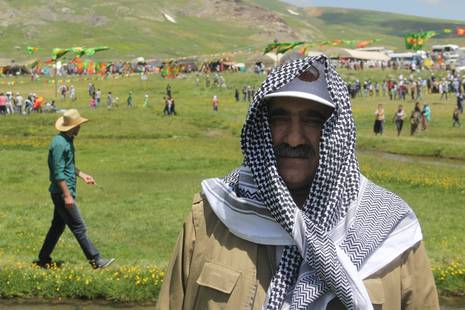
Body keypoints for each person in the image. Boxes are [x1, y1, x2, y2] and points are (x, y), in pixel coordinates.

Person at [156, 56, 439, 309]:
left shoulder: (390, 229)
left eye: (312, 120)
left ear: (337, 131)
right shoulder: (211, 218)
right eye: (280, 118)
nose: (293, 138)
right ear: (263, 125)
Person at [34, 109, 114, 269]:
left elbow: (68, 166)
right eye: (78, 125)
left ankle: (43, 259)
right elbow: (58, 172)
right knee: (79, 227)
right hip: (62, 193)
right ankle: (96, 260)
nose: (80, 127)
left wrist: (82, 174)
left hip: (63, 192)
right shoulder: (59, 143)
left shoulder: (67, 139)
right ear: (72, 126)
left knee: (57, 227)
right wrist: (67, 195)